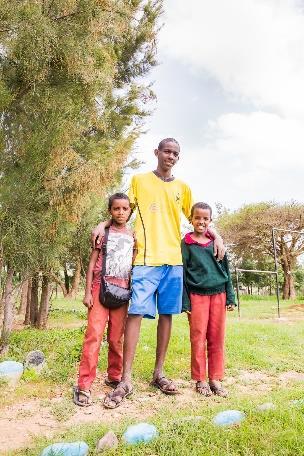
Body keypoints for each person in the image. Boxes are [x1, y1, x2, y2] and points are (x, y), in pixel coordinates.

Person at [92, 138, 225, 408]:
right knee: (136, 313)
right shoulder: (140, 180)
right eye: (167, 151)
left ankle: (158, 373)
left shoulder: (182, 188)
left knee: (167, 316)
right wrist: (103, 223)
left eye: (176, 153)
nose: (171, 156)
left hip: (173, 262)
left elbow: (197, 219)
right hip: (145, 259)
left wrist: (217, 235)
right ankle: (126, 379)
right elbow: (124, 211)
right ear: (157, 153)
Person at [73, 193, 135, 406]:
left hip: (122, 291)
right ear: (110, 211)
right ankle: (84, 384)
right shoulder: (104, 234)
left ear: (129, 211)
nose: (120, 212)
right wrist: (88, 292)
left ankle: (114, 376)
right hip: (100, 288)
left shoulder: (133, 236)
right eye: (116, 208)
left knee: (117, 338)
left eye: (124, 209)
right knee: (94, 336)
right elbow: (91, 264)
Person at [181, 202, 235, 397]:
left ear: (210, 221)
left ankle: (215, 379)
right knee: (198, 337)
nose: (201, 221)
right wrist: (185, 301)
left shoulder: (216, 243)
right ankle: (200, 379)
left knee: (216, 337)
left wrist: (230, 296)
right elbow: (183, 274)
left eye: (205, 218)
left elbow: (226, 270)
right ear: (191, 219)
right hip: (197, 296)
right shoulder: (186, 244)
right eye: (197, 218)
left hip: (219, 294)